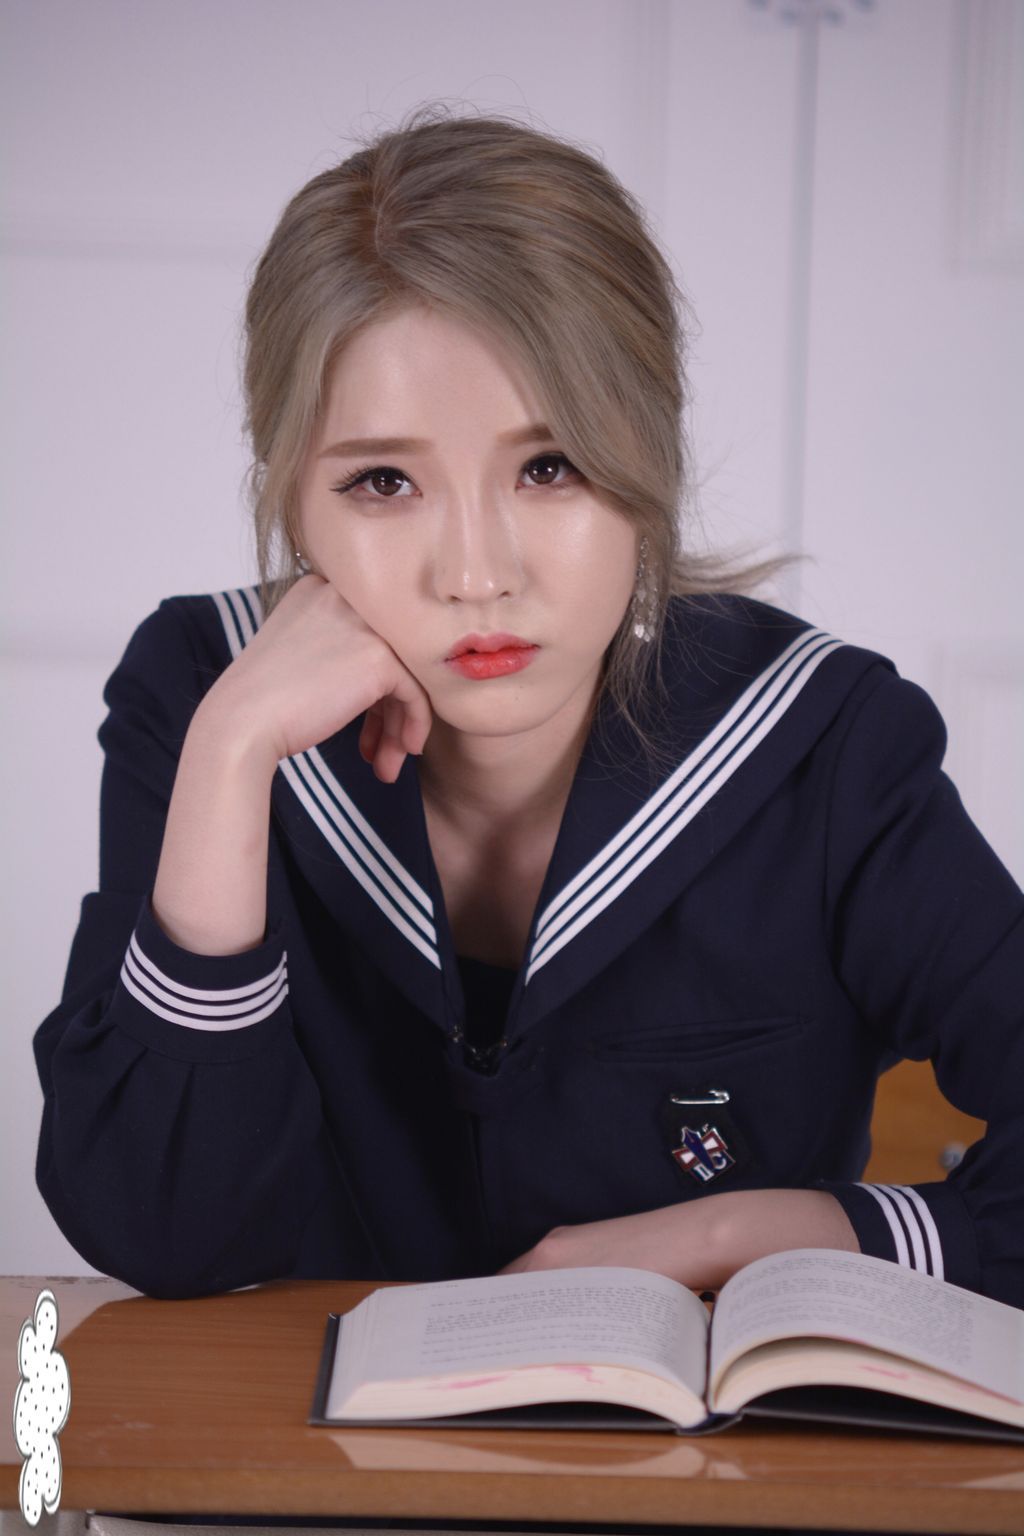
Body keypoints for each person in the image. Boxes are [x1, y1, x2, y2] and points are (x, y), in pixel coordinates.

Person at [33, 108, 1024, 1305]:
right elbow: (165, 1235)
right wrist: (232, 755)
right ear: (293, 500)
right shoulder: (203, 691)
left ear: (645, 459)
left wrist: (775, 1229)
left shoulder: (823, 744)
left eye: (548, 467)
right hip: (304, 1430)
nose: (476, 573)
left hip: (708, 1432)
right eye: (382, 481)